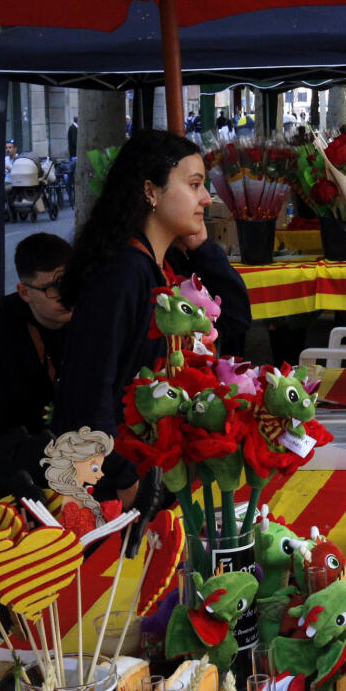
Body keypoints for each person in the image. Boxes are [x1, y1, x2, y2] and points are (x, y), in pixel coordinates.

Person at [53, 130, 251, 451]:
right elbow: (89, 387)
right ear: (151, 191)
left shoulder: (168, 262)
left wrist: (201, 247)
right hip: (120, 466)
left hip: (159, 453)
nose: (206, 199)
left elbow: (236, 318)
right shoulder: (123, 275)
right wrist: (120, 477)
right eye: (194, 185)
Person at [0, 233, 74, 501]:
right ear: (24, 292)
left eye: (71, 283)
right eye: (53, 288)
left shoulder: (89, 316)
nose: (66, 296)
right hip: (24, 447)